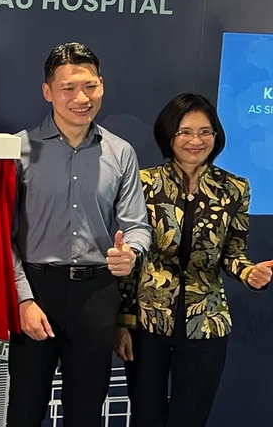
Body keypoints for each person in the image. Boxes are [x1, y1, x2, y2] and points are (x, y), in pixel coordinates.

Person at [7, 42, 152, 427]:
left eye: (90, 86)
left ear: (102, 85)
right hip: (37, 291)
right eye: (68, 88)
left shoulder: (121, 153)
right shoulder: (18, 150)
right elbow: (1, 236)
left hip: (97, 295)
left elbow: (137, 225)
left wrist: (131, 252)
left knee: (86, 411)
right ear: (48, 91)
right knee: (24, 410)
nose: (81, 98)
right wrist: (22, 299)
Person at [115, 93, 273, 426]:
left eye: (205, 132)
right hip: (148, 323)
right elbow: (132, 260)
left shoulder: (234, 188)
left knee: (191, 418)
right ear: (169, 134)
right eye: (185, 132)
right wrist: (124, 322)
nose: (195, 141)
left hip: (207, 322)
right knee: (146, 416)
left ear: (216, 136)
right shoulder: (143, 183)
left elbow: (232, 253)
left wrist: (249, 273)